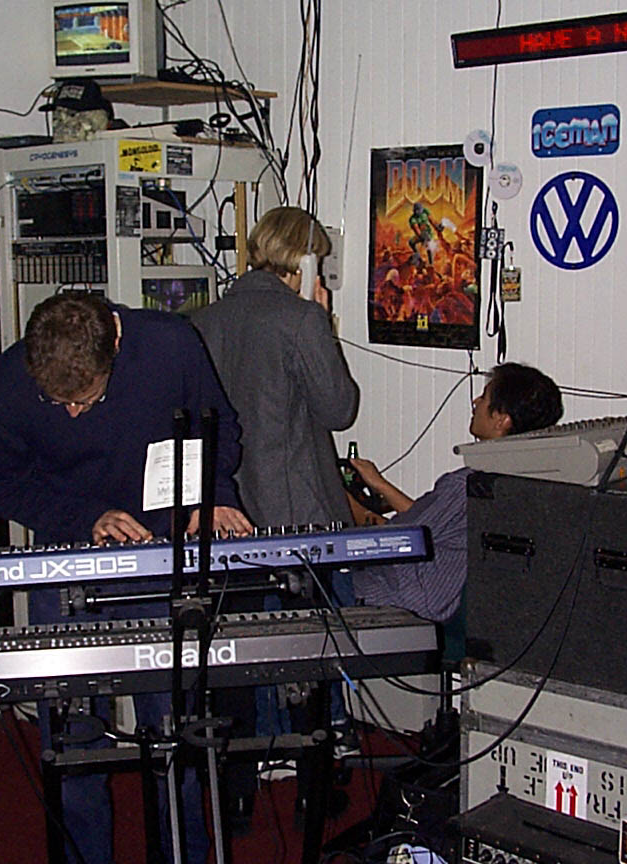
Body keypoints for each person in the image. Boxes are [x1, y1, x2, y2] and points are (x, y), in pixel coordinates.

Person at [0, 291, 253, 864]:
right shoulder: (8, 381)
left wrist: (213, 496)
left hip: (160, 556)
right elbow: (4, 485)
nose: (74, 415)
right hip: (67, 562)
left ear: (117, 345)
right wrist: (85, 519)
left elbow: (218, 428)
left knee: (175, 735)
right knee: (74, 743)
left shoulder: (171, 345)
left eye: (87, 399)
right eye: (58, 403)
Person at [192, 206, 360, 824]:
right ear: (306, 261)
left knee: (241, 649)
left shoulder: (205, 319)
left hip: (228, 512)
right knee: (311, 647)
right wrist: (324, 324)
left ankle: (244, 778)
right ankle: (316, 774)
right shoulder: (301, 318)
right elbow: (340, 409)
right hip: (299, 514)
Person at [350, 362, 563, 622]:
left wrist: (346, 502)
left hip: (399, 598)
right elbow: (433, 521)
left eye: (484, 397)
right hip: (433, 600)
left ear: (501, 419)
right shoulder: (514, 480)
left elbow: (395, 540)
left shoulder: (465, 485)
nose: (476, 402)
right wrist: (380, 484)